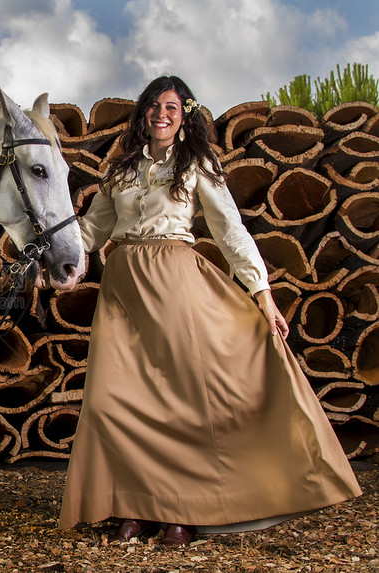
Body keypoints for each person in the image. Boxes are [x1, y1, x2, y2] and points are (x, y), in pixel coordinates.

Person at [58, 76, 362, 547]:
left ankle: (182, 511)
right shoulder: (119, 170)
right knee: (116, 399)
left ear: (184, 117)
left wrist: (262, 292)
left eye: (173, 107)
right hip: (122, 288)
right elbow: (94, 231)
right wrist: (55, 259)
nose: (162, 113)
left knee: (181, 401)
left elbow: (230, 229)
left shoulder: (196, 162)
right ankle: (134, 506)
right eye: (155, 106)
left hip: (175, 281)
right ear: (143, 114)